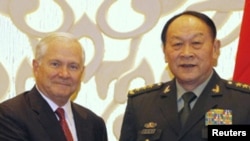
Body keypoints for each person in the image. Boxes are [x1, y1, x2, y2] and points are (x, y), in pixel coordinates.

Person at [119, 11, 250, 141]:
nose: (186, 53)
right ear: (165, 51)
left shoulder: (244, 102)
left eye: (196, 43)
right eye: (177, 44)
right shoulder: (141, 104)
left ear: (215, 49)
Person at [0, 32, 108, 141]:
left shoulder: (94, 124)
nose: (64, 74)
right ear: (36, 67)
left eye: (73, 67)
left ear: (82, 72)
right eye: (55, 64)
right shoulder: (10, 115)